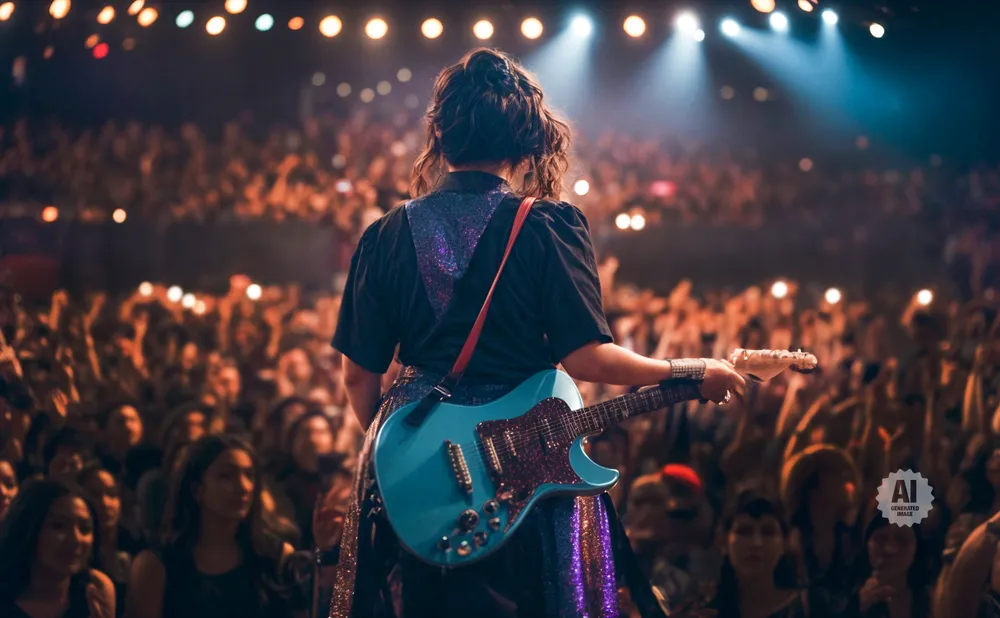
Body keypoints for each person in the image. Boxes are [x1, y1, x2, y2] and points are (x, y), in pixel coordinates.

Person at [328, 47, 747, 618]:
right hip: (526, 472)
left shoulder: (385, 233)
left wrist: (411, 458)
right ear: (531, 140)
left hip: (415, 483)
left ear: (438, 133)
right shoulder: (548, 224)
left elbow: (358, 377)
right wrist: (694, 369)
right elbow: (589, 360)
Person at [124, 435, 294, 618]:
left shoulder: (275, 557)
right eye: (226, 476)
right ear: (197, 489)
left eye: (249, 476)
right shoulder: (157, 564)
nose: (243, 487)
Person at [0, 479, 116, 618]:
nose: (76, 539)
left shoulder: (96, 589)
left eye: (85, 529)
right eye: (59, 526)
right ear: (29, 528)